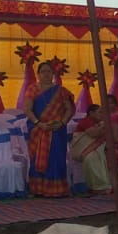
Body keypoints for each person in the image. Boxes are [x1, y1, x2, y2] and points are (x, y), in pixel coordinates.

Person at [24, 61, 74, 197]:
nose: (46, 74)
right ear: (38, 74)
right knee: (37, 159)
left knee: (56, 158)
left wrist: (62, 123)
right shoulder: (32, 89)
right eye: (43, 71)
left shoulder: (61, 91)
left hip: (57, 129)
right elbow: (27, 109)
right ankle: (38, 189)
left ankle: (57, 190)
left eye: (49, 71)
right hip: (38, 129)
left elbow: (69, 109)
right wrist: (39, 123)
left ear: (53, 74)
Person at [68, 102, 114, 193]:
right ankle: (99, 187)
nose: (102, 114)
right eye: (99, 112)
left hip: (98, 147)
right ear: (91, 113)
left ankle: (111, 184)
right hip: (83, 148)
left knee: (110, 155)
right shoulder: (86, 121)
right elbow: (93, 134)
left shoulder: (100, 123)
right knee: (91, 158)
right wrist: (104, 126)